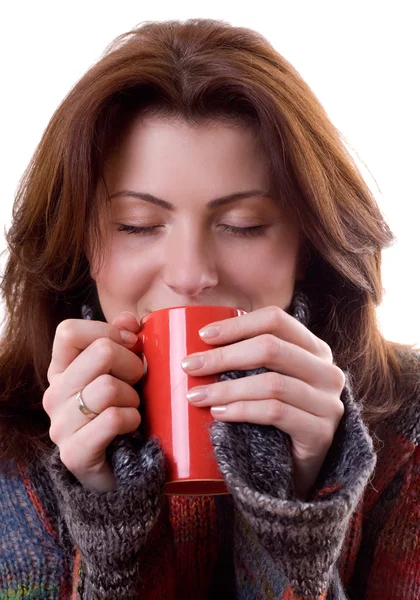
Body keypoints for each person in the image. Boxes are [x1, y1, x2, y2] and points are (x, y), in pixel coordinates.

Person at [0, 17, 418, 600]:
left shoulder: (410, 427)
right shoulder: (7, 437)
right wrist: (104, 513)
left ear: (306, 246)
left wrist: (296, 503)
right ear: (79, 245)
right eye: (137, 225)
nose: (191, 274)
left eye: (243, 226)